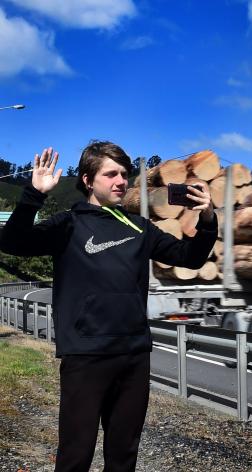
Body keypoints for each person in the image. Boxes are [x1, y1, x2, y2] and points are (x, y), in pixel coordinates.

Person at [0, 142, 217, 472]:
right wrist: (34, 195)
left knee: (123, 456)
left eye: (124, 174)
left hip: (133, 356)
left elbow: (190, 257)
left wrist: (208, 218)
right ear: (88, 180)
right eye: (111, 174)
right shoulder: (68, 224)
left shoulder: (139, 228)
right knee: (75, 455)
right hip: (85, 356)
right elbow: (13, 243)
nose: (121, 181)